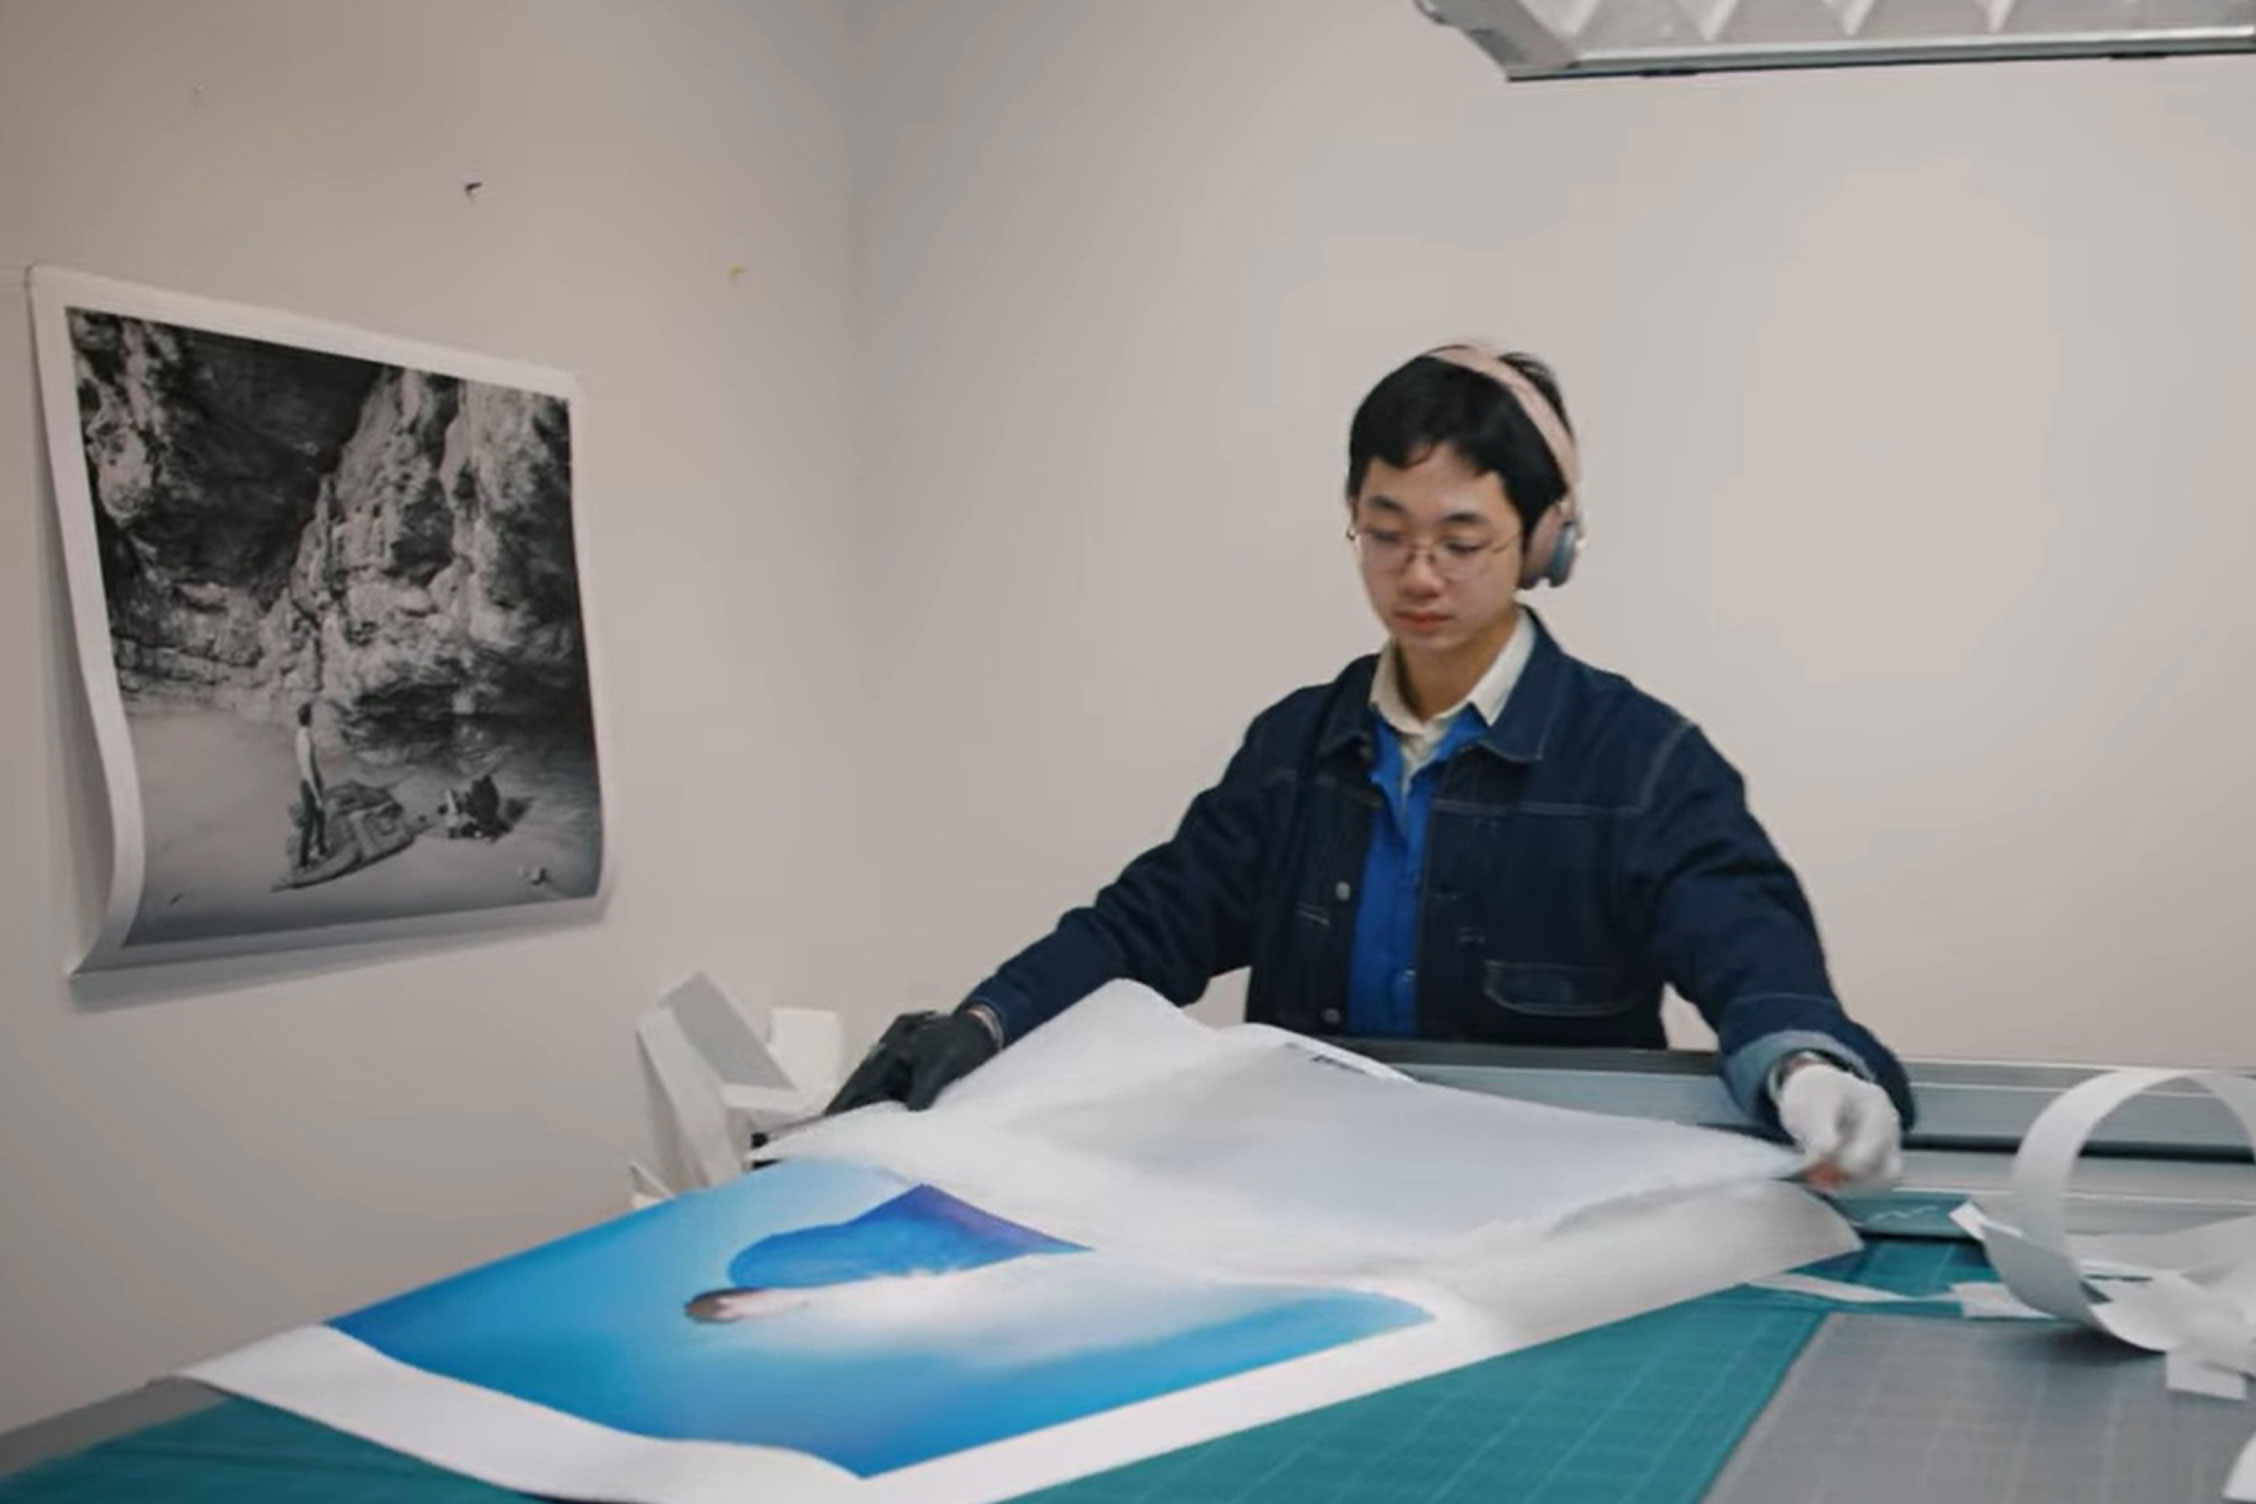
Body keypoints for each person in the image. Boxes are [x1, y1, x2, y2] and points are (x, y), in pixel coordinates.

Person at [827, 341, 1915, 1187]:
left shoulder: (1637, 760)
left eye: (1461, 537)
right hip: (1307, 1198)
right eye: (1385, 531)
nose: (1419, 573)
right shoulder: (1299, 748)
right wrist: (983, 1023)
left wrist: (1804, 1068)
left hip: (1552, 1216)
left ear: (1546, 541)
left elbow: (1748, 951)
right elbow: (1146, 925)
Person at [293, 702, 327, 867]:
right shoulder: (305, 739)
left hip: (307, 781)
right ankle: (304, 860)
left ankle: (321, 850)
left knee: (319, 818)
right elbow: (308, 767)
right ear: (310, 718)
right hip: (310, 782)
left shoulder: (301, 735)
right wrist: (316, 795)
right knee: (310, 821)